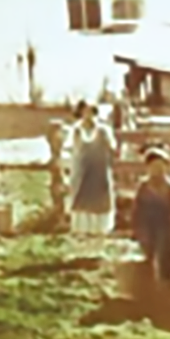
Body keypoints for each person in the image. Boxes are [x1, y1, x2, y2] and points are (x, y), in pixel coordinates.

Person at [131, 147, 170, 294]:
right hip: (147, 224)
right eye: (153, 167)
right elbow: (137, 209)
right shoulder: (143, 187)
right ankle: (147, 285)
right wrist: (136, 228)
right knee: (147, 252)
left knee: (164, 253)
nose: (157, 170)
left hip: (164, 225)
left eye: (160, 167)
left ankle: (165, 285)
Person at [67, 100, 118, 241]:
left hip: (99, 170)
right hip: (82, 170)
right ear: (81, 113)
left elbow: (113, 148)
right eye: (85, 112)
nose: (88, 115)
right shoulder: (76, 130)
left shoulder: (103, 131)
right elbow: (70, 149)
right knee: (81, 198)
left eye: (92, 112)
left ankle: (99, 231)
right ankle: (82, 231)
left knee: (99, 197)